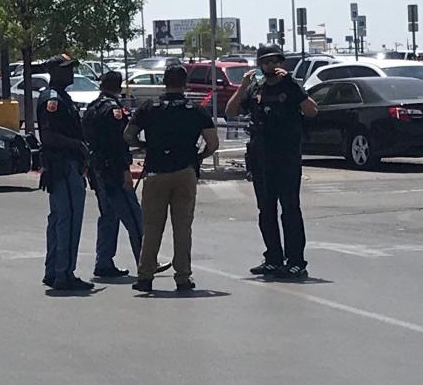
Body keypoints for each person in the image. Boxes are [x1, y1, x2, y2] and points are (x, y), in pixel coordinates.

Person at [226, 44, 319, 279]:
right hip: (261, 158)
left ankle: (296, 261)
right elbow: (231, 112)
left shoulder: (291, 85)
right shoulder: (256, 88)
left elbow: (312, 111)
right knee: (265, 210)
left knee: (290, 209)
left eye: (275, 62)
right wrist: (242, 87)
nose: (271, 66)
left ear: (282, 63)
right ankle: (273, 258)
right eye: (266, 62)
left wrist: (291, 85)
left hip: (286, 157)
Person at [124, 65, 219, 293]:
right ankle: (183, 278)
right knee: (182, 227)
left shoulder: (150, 107)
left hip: (156, 171)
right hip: (185, 171)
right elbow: (213, 143)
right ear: (185, 83)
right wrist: (199, 156)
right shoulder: (194, 109)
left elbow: (128, 135)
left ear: (164, 82)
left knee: (152, 227)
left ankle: (145, 276)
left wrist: (145, 146)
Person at [37, 54, 93, 291]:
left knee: (59, 218)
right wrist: (78, 146)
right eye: (66, 69)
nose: (70, 73)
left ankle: (54, 270)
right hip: (63, 165)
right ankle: (64, 274)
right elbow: (48, 136)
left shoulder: (61, 97)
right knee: (68, 220)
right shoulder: (53, 99)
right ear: (54, 71)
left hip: (63, 164)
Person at [82, 71, 145, 278]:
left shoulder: (92, 108)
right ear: (119, 87)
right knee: (134, 217)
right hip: (114, 170)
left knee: (109, 215)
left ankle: (104, 261)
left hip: (97, 168)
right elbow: (119, 144)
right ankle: (145, 262)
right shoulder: (114, 110)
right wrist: (126, 169)